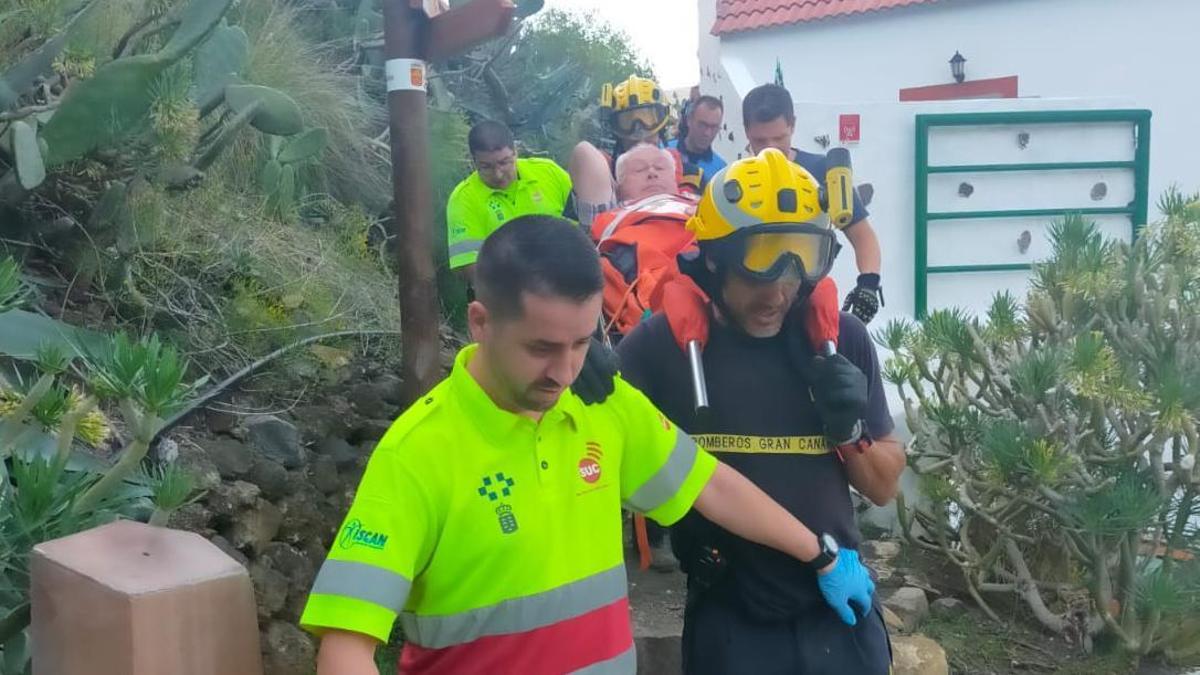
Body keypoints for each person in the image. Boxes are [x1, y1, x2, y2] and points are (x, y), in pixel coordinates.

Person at [299, 214, 878, 675]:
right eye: (541, 347)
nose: (564, 371)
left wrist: (821, 553)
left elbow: (711, 484)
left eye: (581, 344)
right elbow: (345, 648)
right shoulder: (418, 454)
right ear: (479, 322)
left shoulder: (600, 405)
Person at [615, 148, 907, 674]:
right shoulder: (664, 347)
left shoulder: (841, 340)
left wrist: (850, 430)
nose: (777, 292)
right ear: (712, 259)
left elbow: (883, 487)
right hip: (731, 613)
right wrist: (578, 365)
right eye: (757, 272)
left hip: (837, 603)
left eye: (795, 270)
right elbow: (590, 428)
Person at [742, 83, 886, 324]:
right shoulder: (735, 182)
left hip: (808, 304)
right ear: (746, 131)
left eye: (779, 138)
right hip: (754, 305)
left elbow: (862, 235)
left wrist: (869, 284)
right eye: (760, 141)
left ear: (793, 125)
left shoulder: (823, 172)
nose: (771, 150)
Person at [445, 120, 572, 283]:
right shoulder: (463, 199)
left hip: (567, 282)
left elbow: (583, 231)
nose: (498, 174)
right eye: (486, 166)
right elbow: (470, 269)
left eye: (504, 162)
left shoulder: (549, 172)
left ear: (515, 152)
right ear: (473, 162)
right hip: (507, 295)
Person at [668, 95, 727, 191]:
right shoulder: (662, 152)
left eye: (714, 127)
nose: (707, 133)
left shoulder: (721, 171)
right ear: (689, 120)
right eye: (702, 125)